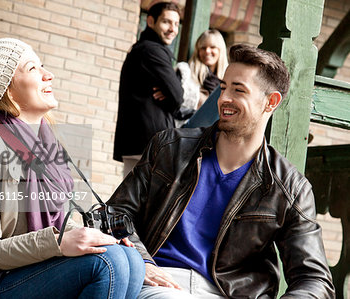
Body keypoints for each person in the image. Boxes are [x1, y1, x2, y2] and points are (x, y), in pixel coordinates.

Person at [0, 38, 145, 299]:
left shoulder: (47, 147)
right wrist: (58, 243)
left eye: (42, 66)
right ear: (6, 90)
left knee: (128, 259)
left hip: (23, 271)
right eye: (33, 69)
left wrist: (99, 238)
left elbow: (60, 222)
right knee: (109, 263)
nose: (48, 75)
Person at [107, 44, 335, 298]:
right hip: (162, 282)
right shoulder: (170, 147)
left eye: (238, 90)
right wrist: (142, 262)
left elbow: (314, 279)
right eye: (223, 87)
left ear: (271, 102)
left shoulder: (290, 188)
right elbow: (115, 212)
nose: (224, 98)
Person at [113, 2, 183, 176]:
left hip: (136, 142)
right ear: (151, 21)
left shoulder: (141, 48)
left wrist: (168, 94)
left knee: (131, 200)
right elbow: (178, 97)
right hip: (149, 142)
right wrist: (170, 97)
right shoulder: (153, 50)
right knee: (145, 202)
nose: (172, 29)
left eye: (176, 24)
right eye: (166, 22)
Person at [174, 29, 228, 127]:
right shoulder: (185, 71)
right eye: (203, 48)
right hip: (186, 128)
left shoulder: (226, 80)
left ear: (221, 50)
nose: (207, 51)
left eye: (212, 47)